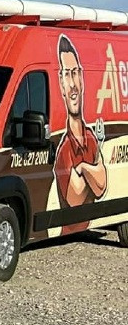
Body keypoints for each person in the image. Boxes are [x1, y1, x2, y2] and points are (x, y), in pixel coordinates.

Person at [54, 35, 106, 206]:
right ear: (61, 83)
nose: (72, 85)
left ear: (82, 78)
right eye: (67, 75)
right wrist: (93, 170)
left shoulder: (90, 137)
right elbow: (76, 199)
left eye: (75, 73)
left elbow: (101, 186)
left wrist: (82, 167)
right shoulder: (64, 150)